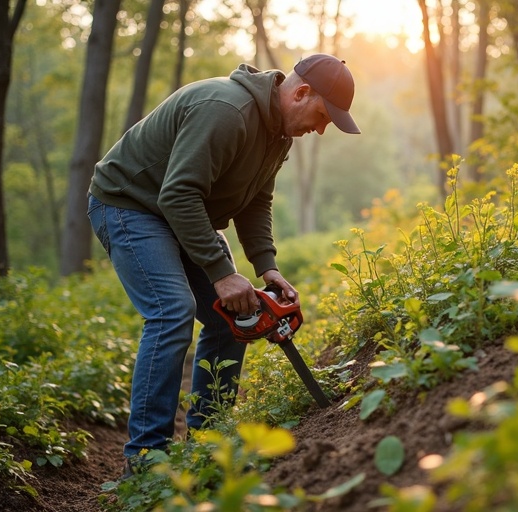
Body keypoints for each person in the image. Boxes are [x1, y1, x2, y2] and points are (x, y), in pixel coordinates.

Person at [86, 54, 360, 477]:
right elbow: (177, 194)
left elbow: (256, 201)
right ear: (301, 93)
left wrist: (266, 267)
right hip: (130, 204)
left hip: (183, 212)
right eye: (323, 116)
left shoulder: (278, 135)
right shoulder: (226, 110)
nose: (320, 130)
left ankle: (206, 444)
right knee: (171, 311)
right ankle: (144, 463)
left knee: (237, 312)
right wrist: (221, 272)